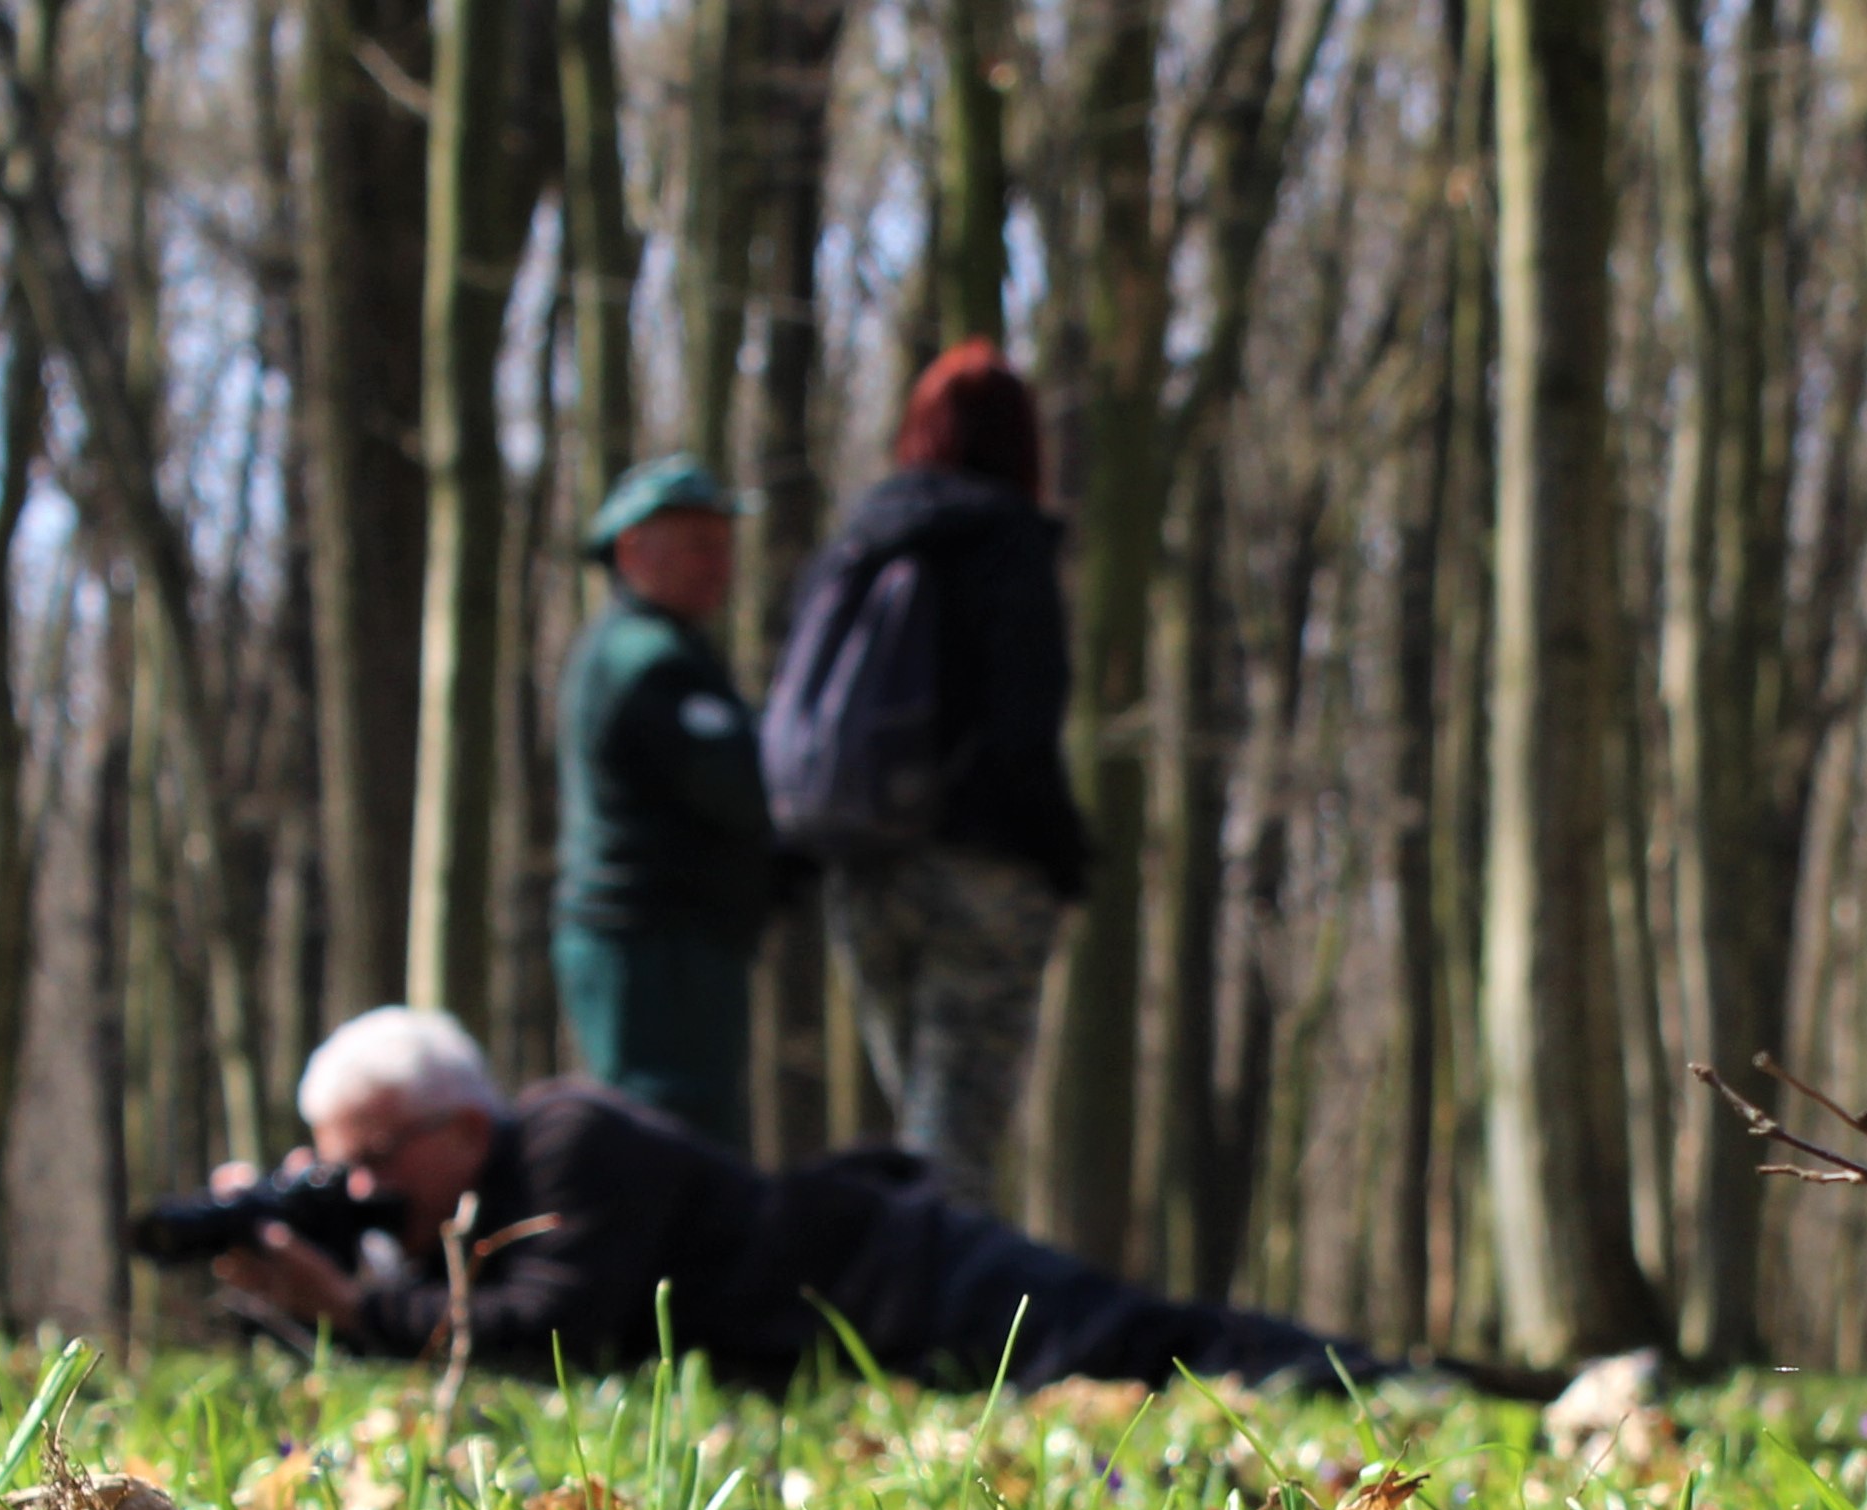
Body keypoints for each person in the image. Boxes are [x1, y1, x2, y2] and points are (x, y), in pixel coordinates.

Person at [205, 1006, 1365, 1393]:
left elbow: (552, 1331)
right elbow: (447, 1353)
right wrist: (291, 1298)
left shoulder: (567, 1140)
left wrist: (353, 1306)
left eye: (372, 1161)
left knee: (1173, 1353)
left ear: (460, 1126)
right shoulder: (445, 1222)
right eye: (333, 1168)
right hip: (878, 1331)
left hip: (918, 1277)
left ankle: (1420, 1380)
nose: (354, 1193)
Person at [771, 344, 1093, 1211]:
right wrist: (1061, 857)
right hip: (983, 870)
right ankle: (944, 1334)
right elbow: (1023, 727)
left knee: (918, 1106)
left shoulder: (858, 543)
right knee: (956, 1127)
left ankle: (908, 1305)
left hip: (860, 859)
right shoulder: (1010, 545)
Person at [556, 454, 778, 1150]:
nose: (720, 565)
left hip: (679, 942)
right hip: (650, 948)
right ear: (632, 550)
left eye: (725, 546)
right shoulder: (644, 660)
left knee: (690, 1137)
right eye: (699, 546)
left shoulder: (669, 650)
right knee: (669, 1138)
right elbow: (741, 790)